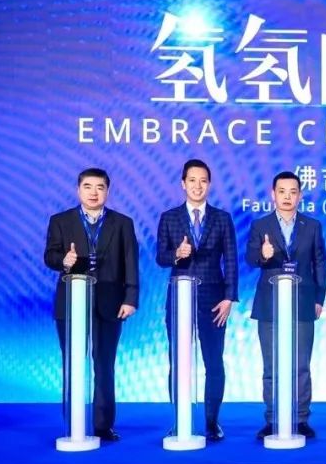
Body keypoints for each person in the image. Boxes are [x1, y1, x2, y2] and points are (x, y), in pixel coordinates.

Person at [43, 167, 139, 442]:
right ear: (78, 190)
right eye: (88, 186)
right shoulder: (60, 221)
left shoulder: (123, 223)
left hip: (110, 303)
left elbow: (131, 262)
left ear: (107, 191)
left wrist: (130, 298)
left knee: (105, 365)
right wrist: (64, 261)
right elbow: (49, 256)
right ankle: (74, 423)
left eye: (100, 187)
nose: (94, 192)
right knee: (72, 363)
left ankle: (103, 425)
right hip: (71, 303)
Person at [155, 159, 238, 442]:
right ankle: (180, 420)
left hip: (213, 298)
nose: (197, 186)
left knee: (214, 361)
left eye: (203, 180)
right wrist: (176, 254)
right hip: (179, 296)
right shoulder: (169, 217)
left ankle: (212, 422)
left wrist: (229, 297)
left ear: (209, 184)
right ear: (183, 183)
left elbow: (231, 260)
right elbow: (160, 257)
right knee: (178, 361)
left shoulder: (222, 218)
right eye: (192, 180)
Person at [247, 171, 326, 440]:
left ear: (300, 195)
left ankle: (301, 418)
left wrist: (319, 298)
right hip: (269, 304)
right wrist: (263, 254)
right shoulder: (261, 225)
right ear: (273, 194)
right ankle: (272, 419)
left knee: (301, 365)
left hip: (303, 302)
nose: (287, 197)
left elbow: (319, 263)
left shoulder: (312, 226)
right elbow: (250, 258)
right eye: (282, 191)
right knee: (271, 366)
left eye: (293, 192)